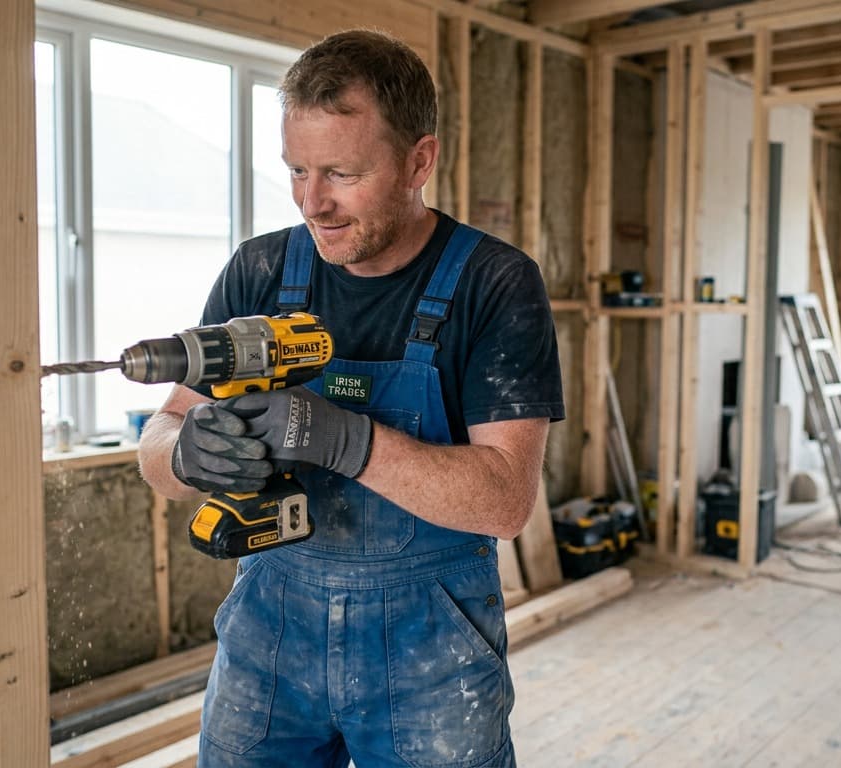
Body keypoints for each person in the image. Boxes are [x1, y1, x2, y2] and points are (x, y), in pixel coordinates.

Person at [138, 30, 564, 767]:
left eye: (340, 172)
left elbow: (504, 502)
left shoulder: (493, 283)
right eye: (297, 170)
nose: (313, 202)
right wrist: (186, 448)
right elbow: (159, 444)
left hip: (430, 649)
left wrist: (346, 440)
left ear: (418, 162)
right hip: (269, 637)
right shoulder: (261, 269)